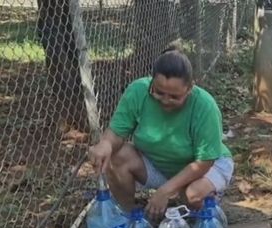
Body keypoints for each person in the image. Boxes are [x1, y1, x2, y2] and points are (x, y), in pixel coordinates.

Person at [88, 48, 234, 218]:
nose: (165, 101)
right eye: (158, 92)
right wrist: (106, 144)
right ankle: (128, 215)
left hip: (205, 166)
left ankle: (209, 207)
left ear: (190, 88)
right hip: (159, 165)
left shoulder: (205, 106)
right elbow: (117, 133)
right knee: (117, 155)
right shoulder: (138, 91)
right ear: (152, 81)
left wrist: (165, 191)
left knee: (193, 195)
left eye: (174, 97)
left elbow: (204, 162)